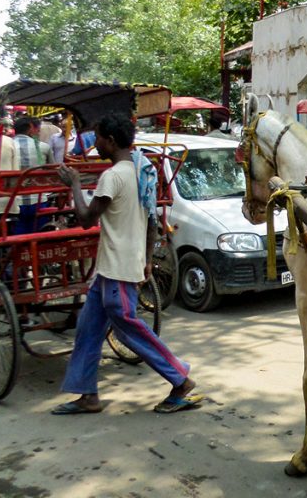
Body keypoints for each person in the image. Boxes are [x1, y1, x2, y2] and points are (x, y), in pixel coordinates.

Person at [52, 112, 199, 415]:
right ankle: (87, 394)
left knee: (128, 328)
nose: (96, 146)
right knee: (88, 328)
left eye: (100, 139)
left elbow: (85, 219)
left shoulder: (114, 175)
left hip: (118, 268)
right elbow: (150, 219)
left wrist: (75, 184)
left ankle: (180, 379)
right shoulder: (141, 168)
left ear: (112, 140)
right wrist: (146, 259)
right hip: (113, 266)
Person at [11, 116, 51, 234]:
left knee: (18, 240)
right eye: (37, 129)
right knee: (40, 236)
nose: (38, 132)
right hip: (39, 201)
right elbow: (52, 169)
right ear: (30, 128)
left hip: (14, 203)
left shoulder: (8, 146)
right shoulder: (43, 147)